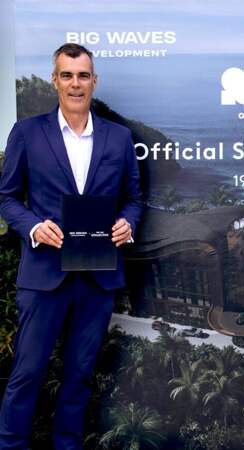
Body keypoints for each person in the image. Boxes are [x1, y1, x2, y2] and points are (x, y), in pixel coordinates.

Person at [0, 43, 142, 449]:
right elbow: (7, 198)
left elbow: (133, 199)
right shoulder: (27, 132)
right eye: (67, 75)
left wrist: (127, 224)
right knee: (28, 373)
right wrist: (33, 226)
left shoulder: (119, 137)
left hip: (97, 277)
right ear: (55, 80)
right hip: (43, 275)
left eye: (82, 75)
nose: (75, 83)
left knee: (79, 377)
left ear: (94, 81)